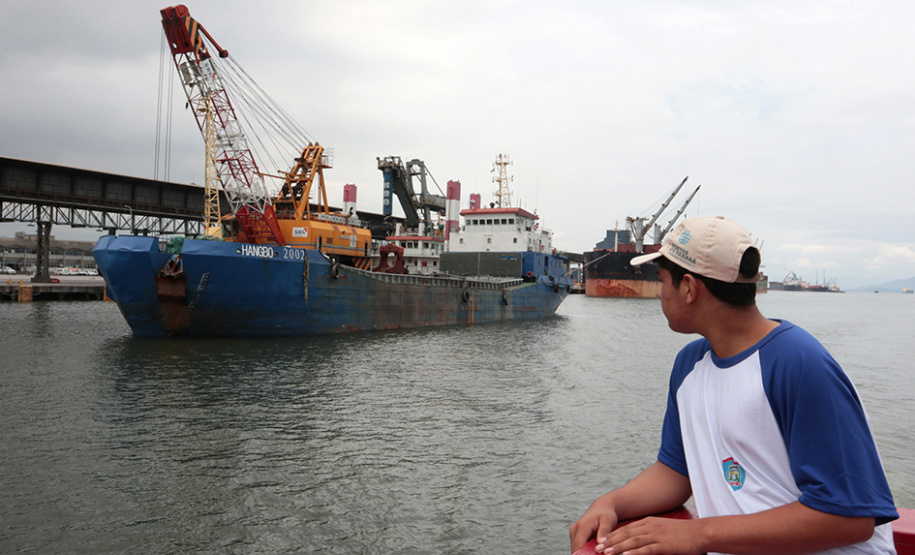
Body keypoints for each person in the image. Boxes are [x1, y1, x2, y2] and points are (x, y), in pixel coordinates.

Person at [569, 216, 898, 555]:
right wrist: (611, 503)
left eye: (663, 281)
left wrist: (699, 535)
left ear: (688, 288)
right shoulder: (689, 366)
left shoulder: (798, 364)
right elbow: (675, 471)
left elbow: (852, 517)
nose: (660, 294)